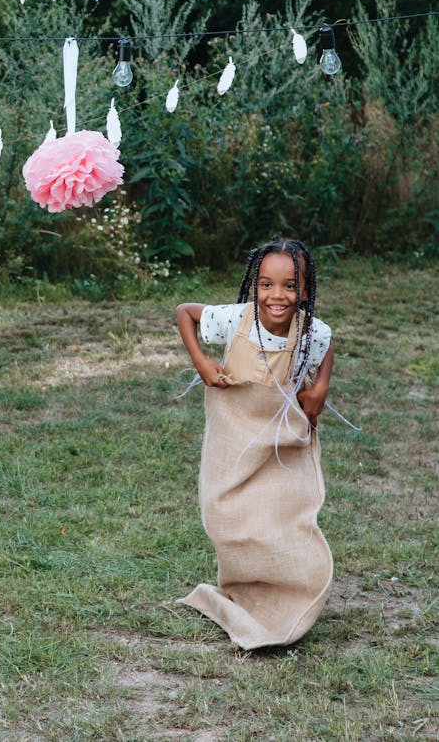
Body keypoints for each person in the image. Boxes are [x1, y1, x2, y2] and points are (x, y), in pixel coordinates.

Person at [175, 237, 334, 650]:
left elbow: (327, 343)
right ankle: (243, 586)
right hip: (234, 433)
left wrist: (321, 388)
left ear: (305, 289)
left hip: (279, 440)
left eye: (289, 285)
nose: (276, 295)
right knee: (223, 513)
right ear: (255, 286)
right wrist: (202, 362)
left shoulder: (310, 331)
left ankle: (288, 594)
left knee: (280, 515)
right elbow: (184, 313)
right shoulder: (236, 319)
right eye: (265, 285)